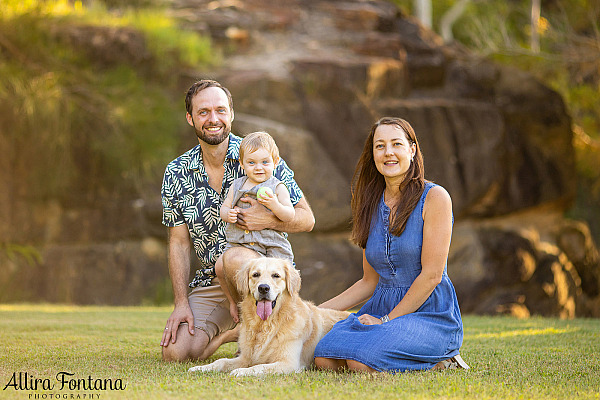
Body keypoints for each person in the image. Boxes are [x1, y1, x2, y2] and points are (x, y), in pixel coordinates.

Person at [160, 79, 315, 362]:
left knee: (233, 259)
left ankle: (262, 326)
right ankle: (233, 330)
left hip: (261, 276)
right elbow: (179, 242)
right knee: (175, 352)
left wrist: (266, 221)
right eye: (203, 112)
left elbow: (307, 219)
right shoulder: (176, 172)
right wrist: (181, 302)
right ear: (190, 118)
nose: (213, 118)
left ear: (231, 114)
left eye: (220, 110)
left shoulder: (260, 155)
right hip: (214, 279)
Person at [313, 117, 468, 373]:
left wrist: (385, 321)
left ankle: (441, 360)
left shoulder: (435, 198)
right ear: (372, 153)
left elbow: (432, 276)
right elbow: (368, 282)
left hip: (429, 313)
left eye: (396, 144)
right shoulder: (370, 204)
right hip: (380, 308)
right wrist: (313, 312)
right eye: (380, 146)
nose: (388, 153)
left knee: (359, 362)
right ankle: (411, 355)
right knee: (324, 357)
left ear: (412, 149)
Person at [216, 131, 296, 323]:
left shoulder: (277, 187)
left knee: (280, 278)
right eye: (251, 163)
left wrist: (275, 205)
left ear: (275, 162)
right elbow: (224, 208)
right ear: (242, 164)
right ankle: (236, 303)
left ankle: (281, 311)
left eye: (265, 162)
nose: (258, 168)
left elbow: (290, 215)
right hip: (242, 244)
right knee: (220, 267)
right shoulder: (237, 185)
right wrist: (228, 214)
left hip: (271, 245)